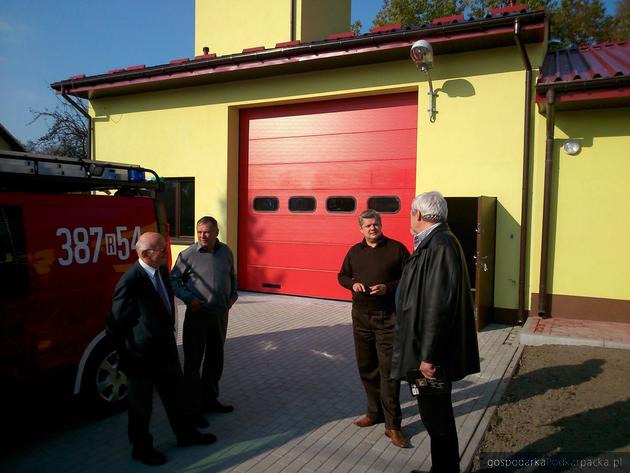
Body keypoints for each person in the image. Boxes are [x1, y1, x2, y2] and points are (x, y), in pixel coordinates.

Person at [106, 232, 216, 467]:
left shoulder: (161, 271)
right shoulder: (130, 281)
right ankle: (141, 448)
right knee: (141, 407)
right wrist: (127, 357)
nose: (168, 254)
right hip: (141, 357)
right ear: (146, 254)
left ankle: (186, 435)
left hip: (165, 351)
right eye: (162, 250)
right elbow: (115, 325)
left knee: (176, 396)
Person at [391, 191, 480, 473]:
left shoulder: (439, 245)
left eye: (410, 213)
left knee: (437, 417)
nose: (409, 217)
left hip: (428, 358)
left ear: (418, 214)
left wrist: (428, 357)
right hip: (422, 350)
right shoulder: (434, 242)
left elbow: (438, 306)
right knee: (431, 414)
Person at [338, 209, 410, 448]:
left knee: (388, 371)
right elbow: (341, 276)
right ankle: (374, 412)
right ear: (361, 229)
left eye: (375, 224)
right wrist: (353, 284)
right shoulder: (354, 252)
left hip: (387, 318)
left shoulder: (396, 249)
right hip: (361, 318)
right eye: (367, 225)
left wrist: (387, 288)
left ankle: (393, 425)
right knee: (367, 367)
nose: (372, 228)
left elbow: (409, 278)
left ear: (381, 225)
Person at [170, 216, 238, 422]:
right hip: (197, 316)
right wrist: (189, 299)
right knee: (193, 363)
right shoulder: (187, 254)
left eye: (207, 232)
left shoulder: (226, 251)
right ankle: (193, 409)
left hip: (219, 316)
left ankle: (210, 400)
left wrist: (232, 298)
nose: (202, 236)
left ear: (217, 232)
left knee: (215, 360)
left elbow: (232, 278)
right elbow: (173, 281)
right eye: (199, 232)